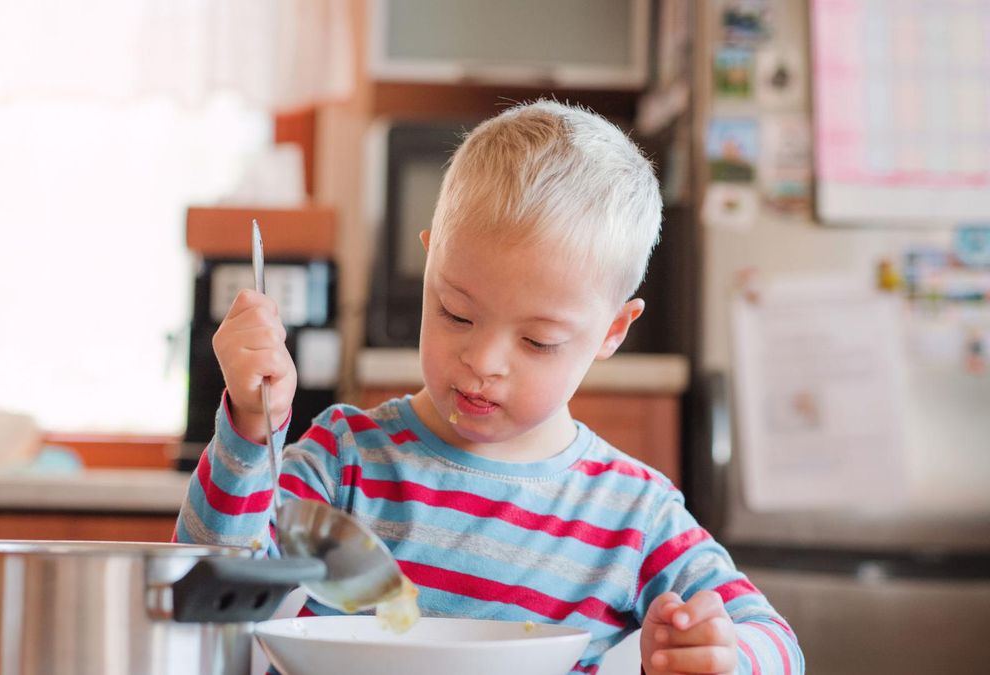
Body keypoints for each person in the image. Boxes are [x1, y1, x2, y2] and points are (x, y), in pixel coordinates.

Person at [176, 100, 804, 675]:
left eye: (538, 342)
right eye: (455, 312)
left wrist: (724, 655)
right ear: (430, 266)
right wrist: (252, 430)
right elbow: (209, 586)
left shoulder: (634, 515)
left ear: (612, 330)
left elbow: (775, 641)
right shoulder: (346, 459)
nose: (482, 361)